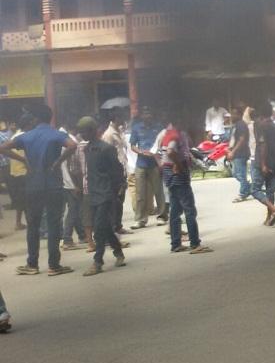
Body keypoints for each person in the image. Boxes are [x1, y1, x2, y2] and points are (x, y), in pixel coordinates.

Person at [0, 106, 77, 276]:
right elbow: (72, 145)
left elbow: (3, 147)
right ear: (50, 117)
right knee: (54, 224)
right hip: (53, 185)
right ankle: (54, 265)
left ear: (35, 119)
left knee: (33, 225)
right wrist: (58, 162)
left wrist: (23, 159)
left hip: (33, 186)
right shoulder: (56, 134)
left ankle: (32, 264)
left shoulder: (26, 136)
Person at [76, 117, 128, 275]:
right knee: (104, 227)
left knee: (98, 229)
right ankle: (118, 251)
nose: (82, 134)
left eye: (84, 131)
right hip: (92, 193)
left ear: (92, 130)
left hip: (106, 194)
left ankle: (98, 262)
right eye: (80, 132)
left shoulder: (106, 148)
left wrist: (117, 190)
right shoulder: (87, 149)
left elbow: (117, 170)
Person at [160, 116, 211, 253]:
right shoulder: (175, 135)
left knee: (175, 210)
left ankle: (176, 243)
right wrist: (179, 165)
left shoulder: (170, 134)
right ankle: (195, 244)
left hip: (170, 175)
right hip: (177, 176)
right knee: (190, 210)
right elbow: (171, 151)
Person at [129, 106, 166, 228]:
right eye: (145, 113)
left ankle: (161, 216)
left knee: (158, 191)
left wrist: (156, 153)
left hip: (154, 163)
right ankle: (140, 219)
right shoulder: (136, 128)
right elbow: (132, 145)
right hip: (141, 164)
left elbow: (163, 143)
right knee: (140, 193)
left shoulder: (158, 127)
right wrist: (141, 152)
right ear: (141, 115)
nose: (147, 116)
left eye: (149, 113)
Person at [252, 103, 275, 226]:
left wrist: (263, 164)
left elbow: (263, 144)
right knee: (270, 190)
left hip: (262, 162)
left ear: (261, 113)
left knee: (255, 190)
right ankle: (269, 217)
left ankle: (274, 209)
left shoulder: (260, 126)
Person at [227, 103, 252, 202]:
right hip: (236, 153)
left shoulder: (241, 124)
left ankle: (243, 193)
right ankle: (249, 188)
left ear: (239, 115)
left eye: (234, 114)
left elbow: (241, 139)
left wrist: (233, 151)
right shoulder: (236, 125)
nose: (232, 116)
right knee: (235, 174)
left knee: (240, 174)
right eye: (231, 114)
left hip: (241, 153)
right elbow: (234, 139)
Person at [6, 118, 28, 231]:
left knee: (20, 199)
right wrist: (23, 160)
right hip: (23, 171)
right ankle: (26, 222)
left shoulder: (15, 136)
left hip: (15, 171)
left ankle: (18, 222)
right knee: (28, 199)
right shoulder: (23, 136)